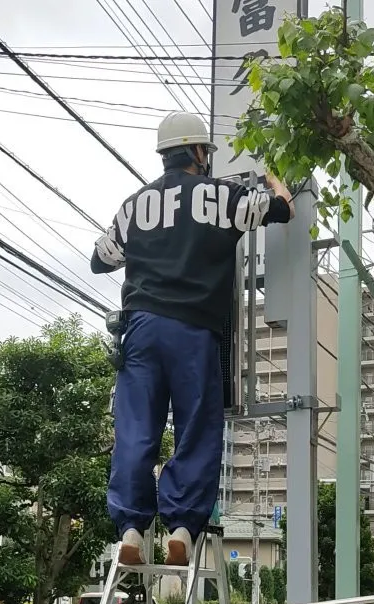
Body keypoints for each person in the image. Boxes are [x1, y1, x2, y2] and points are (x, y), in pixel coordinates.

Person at [91, 111, 295, 567]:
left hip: (141, 329)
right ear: (200, 153)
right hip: (195, 331)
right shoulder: (226, 196)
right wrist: (275, 179)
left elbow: (100, 259)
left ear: (164, 154)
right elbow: (282, 208)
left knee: (136, 430)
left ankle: (130, 529)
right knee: (197, 429)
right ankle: (181, 525)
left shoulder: (133, 205)